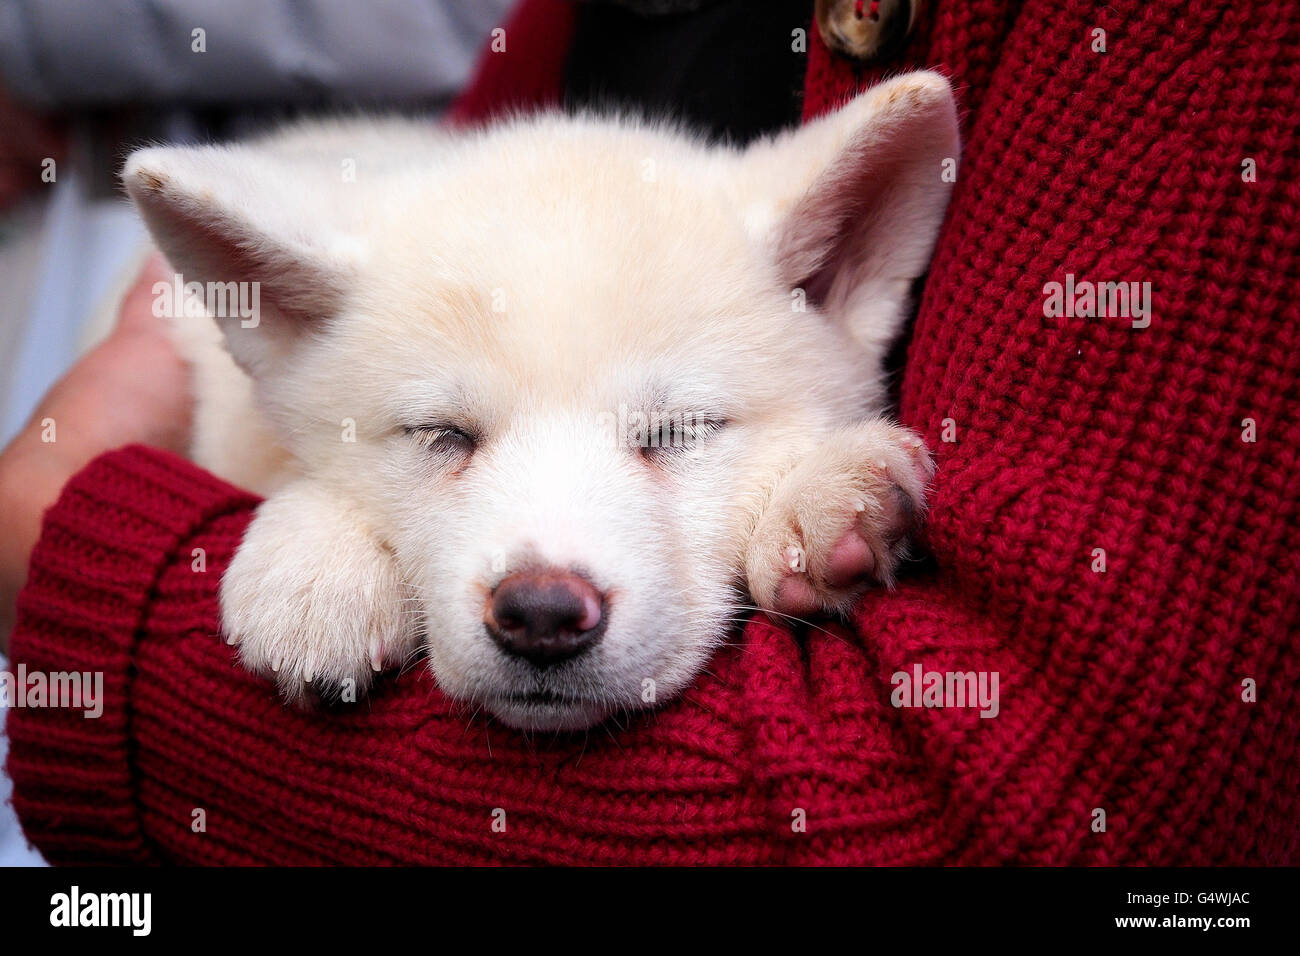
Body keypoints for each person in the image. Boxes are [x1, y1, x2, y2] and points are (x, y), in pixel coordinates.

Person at [3, 0, 1297, 864]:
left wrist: (65, 548)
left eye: (672, 430)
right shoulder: (354, 279)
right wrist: (320, 512)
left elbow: (1010, 812)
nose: (546, 587)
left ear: (836, 267)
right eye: (451, 436)